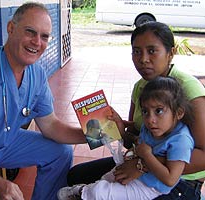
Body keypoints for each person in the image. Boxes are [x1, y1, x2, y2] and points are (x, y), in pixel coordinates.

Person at [0, 2, 86, 200]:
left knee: (61, 152)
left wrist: (94, 135)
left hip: (6, 144)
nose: (37, 42)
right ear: (11, 28)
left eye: (44, 36)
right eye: (30, 32)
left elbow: (50, 126)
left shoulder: (37, 74)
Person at [67, 21, 205, 200]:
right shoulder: (141, 87)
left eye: (152, 51)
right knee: (76, 175)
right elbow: (135, 140)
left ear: (171, 53)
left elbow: (203, 154)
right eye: (136, 51)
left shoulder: (188, 89)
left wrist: (141, 165)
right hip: (141, 163)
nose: (143, 59)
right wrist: (120, 126)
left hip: (179, 181)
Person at [58, 76, 195, 199]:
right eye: (145, 111)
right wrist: (120, 131)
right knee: (106, 179)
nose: (150, 119)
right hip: (134, 169)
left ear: (179, 112)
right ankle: (88, 191)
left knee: (99, 192)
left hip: (150, 187)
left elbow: (170, 179)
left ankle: (81, 193)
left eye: (158, 111)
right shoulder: (152, 127)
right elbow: (138, 144)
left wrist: (146, 156)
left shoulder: (181, 140)